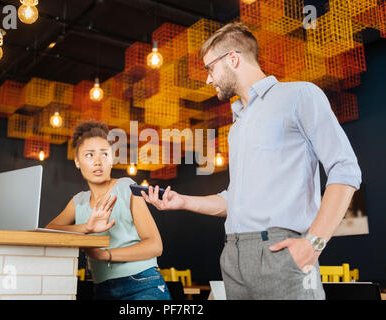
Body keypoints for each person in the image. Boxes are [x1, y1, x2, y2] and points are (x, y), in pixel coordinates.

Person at [141, 22, 362, 300]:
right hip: (233, 256)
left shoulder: (299, 95)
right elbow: (234, 201)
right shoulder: (238, 125)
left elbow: (346, 170)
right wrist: (183, 201)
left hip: (281, 253)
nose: (208, 79)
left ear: (233, 58)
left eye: (210, 68)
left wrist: (313, 245)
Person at [46, 121, 171, 300]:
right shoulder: (78, 201)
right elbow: (49, 230)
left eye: (104, 154)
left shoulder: (126, 187)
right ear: (77, 162)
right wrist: (86, 228)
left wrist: (104, 255)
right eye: (89, 155)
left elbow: (155, 245)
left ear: (112, 160)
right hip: (102, 289)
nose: (98, 162)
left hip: (142, 283)